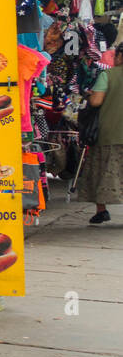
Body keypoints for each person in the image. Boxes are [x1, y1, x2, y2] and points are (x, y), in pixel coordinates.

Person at [81, 39, 123, 224]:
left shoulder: (108, 75)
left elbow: (97, 101)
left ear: (120, 56)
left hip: (110, 132)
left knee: (103, 170)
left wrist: (90, 96)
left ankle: (101, 210)